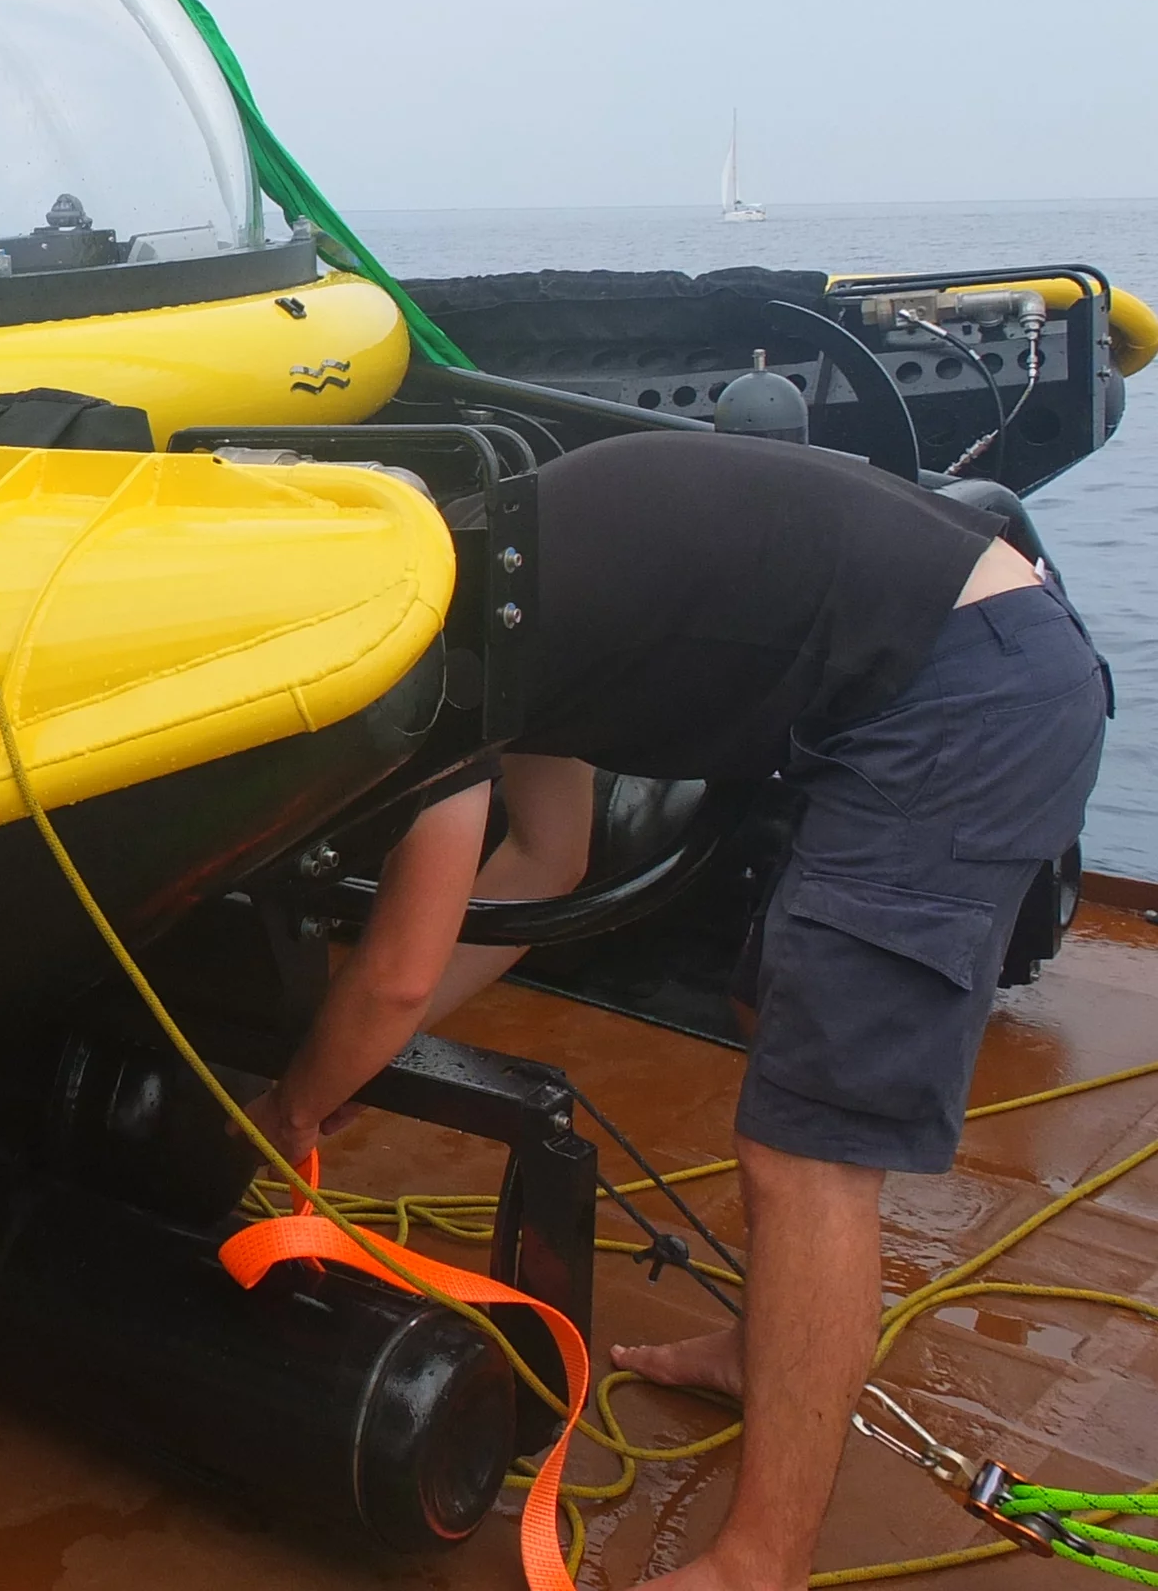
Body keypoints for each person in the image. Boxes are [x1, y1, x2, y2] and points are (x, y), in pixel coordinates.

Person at [238, 430, 1109, 1591]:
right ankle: (769, 1352)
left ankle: (759, 1563)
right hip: (929, 667)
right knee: (770, 1015)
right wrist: (363, 1062)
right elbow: (546, 860)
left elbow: (399, 963)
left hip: (963, 697)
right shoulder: (504, 575)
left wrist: (298, 1101)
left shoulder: (430, 644)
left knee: (806, 1152)